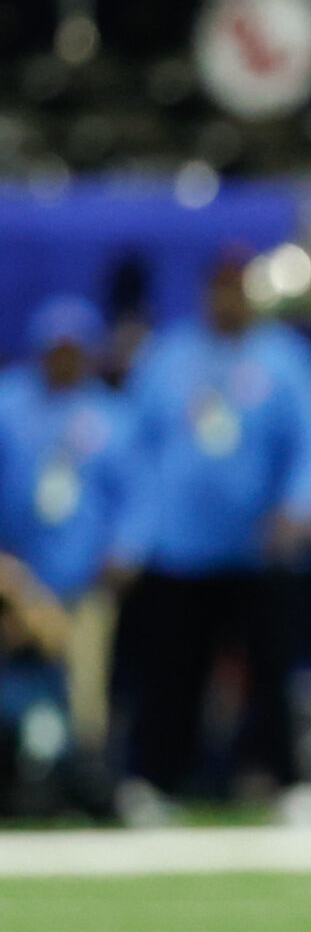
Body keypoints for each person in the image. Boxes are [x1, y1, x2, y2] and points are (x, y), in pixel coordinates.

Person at [117, 252, 311, 816]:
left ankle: (286, 782)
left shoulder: (284, 359)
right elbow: (136, 451)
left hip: (259, 550)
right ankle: (155, 783)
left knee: (272, 671)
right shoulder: (168, 357)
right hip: (181, 550)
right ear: (204, 292)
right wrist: (134, 536)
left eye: (236, 287)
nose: (227, 299)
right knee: (174, 671)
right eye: (219, 287)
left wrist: (299, 507)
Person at [0, 296, 134, 817]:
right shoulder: (10, 404)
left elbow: (135, 494)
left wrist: (123, 551)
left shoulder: (112, 417)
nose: (63, 360)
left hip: (84, 581)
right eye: (55, 350)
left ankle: (85, 775)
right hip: (14, 582)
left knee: (85, 683)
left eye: (73, 350)